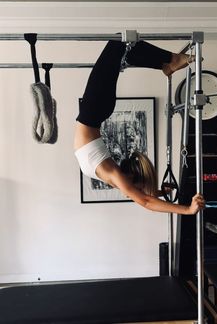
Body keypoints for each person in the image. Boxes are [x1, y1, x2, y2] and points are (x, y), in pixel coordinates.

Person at [74, 40, 205, 215]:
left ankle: (169, 62)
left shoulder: (114, 175)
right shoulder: (114, 175)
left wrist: (188, 210)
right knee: (118, 44)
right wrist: (169, 198)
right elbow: (145, 197)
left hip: (94, 111)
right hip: (94, 111)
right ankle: (169, 62)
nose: (139, 191)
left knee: (120, 46)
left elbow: (145, 200)